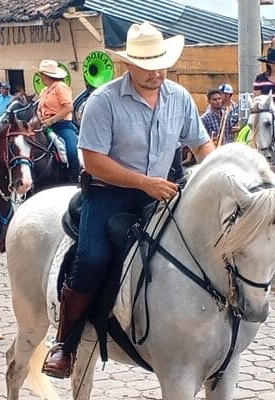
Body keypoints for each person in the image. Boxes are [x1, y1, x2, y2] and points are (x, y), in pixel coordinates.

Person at [42, 22, 215, 379]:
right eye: (148, 65)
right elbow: (93, 161)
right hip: (109, 193)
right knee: (93, 257)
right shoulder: (103, 101)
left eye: (161, 63)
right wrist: (144, 183)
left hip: (162, 191)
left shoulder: (179, 98)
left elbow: (200, 144)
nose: (157, 72)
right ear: (128, 65)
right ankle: (66, 343)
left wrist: (214, 176)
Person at [36, 59, 81, 183]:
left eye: (42, 74)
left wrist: (51, 120)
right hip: (44, 125)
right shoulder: (44, 90)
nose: (41, 77)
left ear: (48, 75)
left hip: (62, 125)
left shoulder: (61, 87)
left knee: (71, 151)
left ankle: (75, 179)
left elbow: (68, 107)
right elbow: (40, 108)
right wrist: (40, 116)